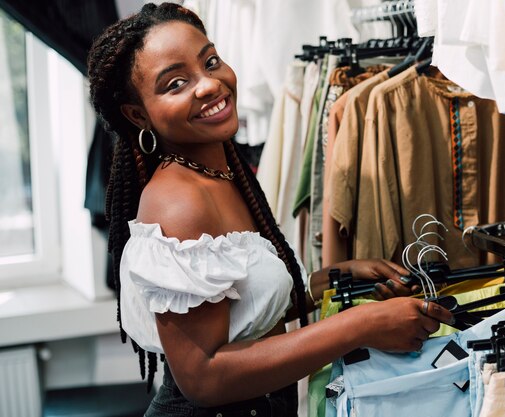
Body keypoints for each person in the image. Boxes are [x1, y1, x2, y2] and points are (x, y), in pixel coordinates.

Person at [87, 3, 454, 416]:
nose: (209, 85)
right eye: (176, 84)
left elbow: (242, 315)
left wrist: (328, 281)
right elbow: (204, 378)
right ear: (139, 114)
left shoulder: (220, 172)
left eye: (210, 61)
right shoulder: (178, 202)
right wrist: (360, 327)